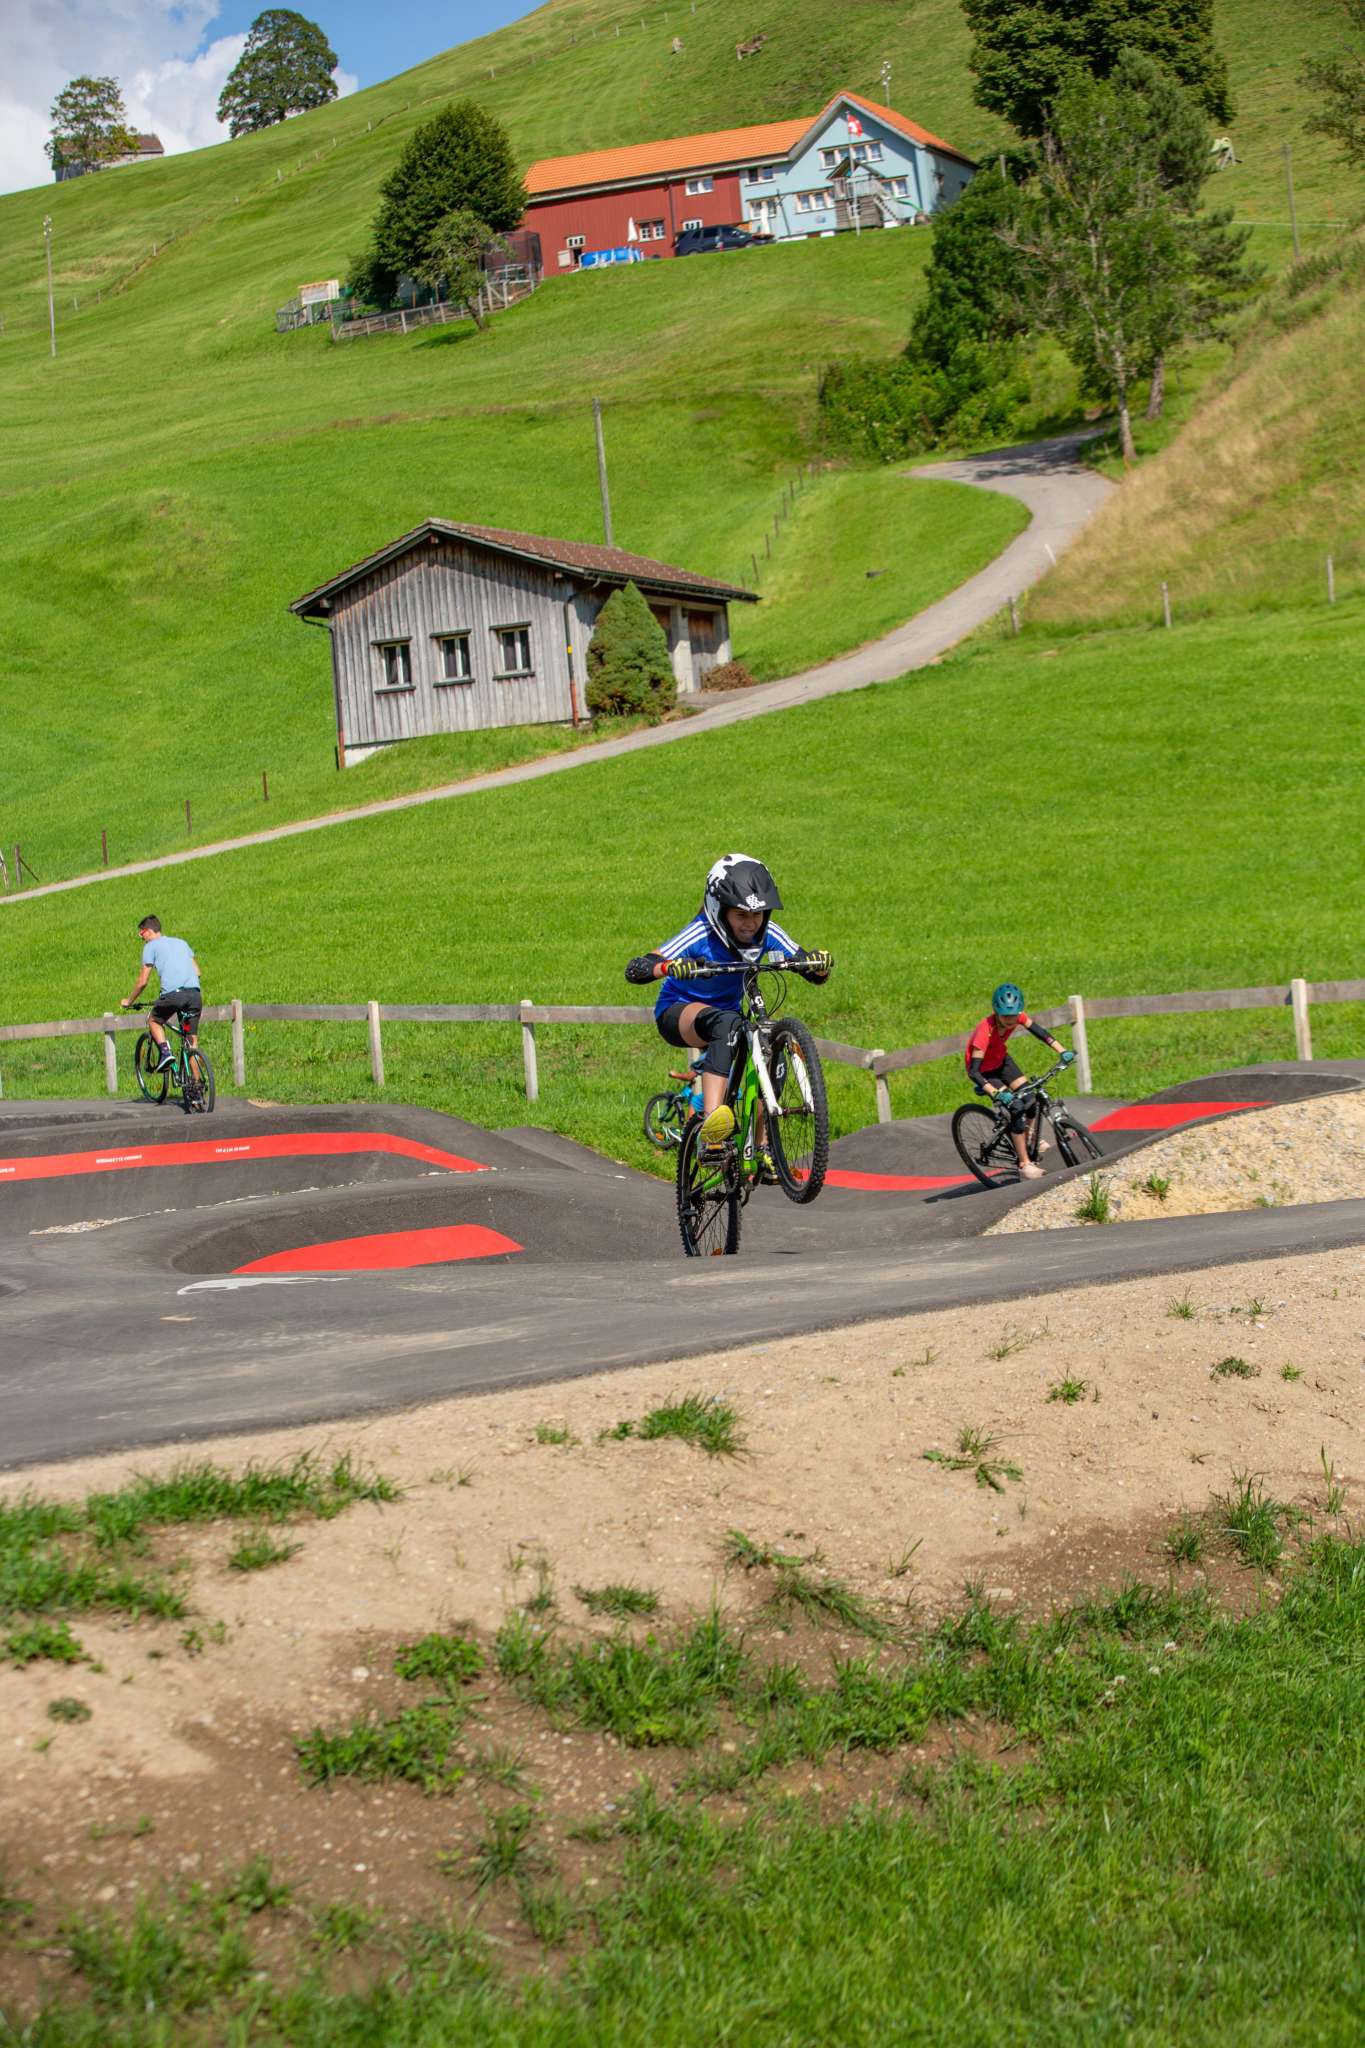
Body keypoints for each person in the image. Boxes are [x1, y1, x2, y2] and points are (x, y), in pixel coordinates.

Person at [625, 854, 831, 1155]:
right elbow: (636, 969)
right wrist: (667, 967)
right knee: (726, 1023)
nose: (751, 923)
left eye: (758, 914)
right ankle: (712, 1134)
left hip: (730, 1021)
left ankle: (762, 1148)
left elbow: (810, 969)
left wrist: (819, 965)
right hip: (679, 1012)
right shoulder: (700, 932)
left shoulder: (768, 934)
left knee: (768, 1047)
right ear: (719, 910)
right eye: (741, 915)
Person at [965, 983, 1074, 1180]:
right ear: (996, 1012)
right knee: (1016, 1107)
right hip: (983, 1071)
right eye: (1005, 1016)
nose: (1010, 1020)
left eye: (1014, 1015)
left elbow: (1040, 1032)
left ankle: (1028, 1136)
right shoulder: (984, 1031)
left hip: (1001, 1060)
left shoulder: (1018, 1017)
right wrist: (996, 1093)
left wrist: (1062, 1051)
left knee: (1031, 1100)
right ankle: (1025, 1164)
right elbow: (973, 1072)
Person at [121, 915, 202, 1071]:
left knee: (153, 1020)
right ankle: (197, 1085)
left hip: (174, 996)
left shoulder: (150, 946)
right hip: (194, 995)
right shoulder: (181, 943)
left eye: (141, 933)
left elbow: (142, 981)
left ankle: (165, 1054)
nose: (141, 937)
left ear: (149, 931)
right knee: (192, 1043)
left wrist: (129, 1001)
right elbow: (197, 972)